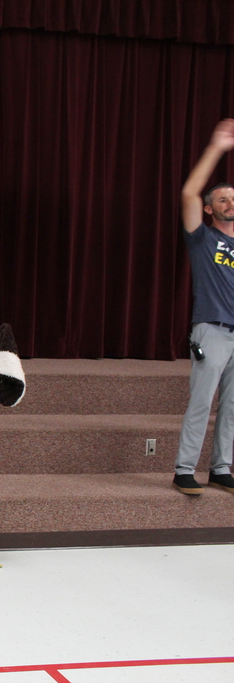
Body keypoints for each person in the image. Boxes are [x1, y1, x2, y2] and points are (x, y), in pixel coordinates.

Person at [173, 118, 234, 496]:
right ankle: (184, 469)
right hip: (212, 329)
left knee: (233, 407)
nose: (230, 203)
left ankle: (221, 468)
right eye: (223, 199)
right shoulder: (203, 239)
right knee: (201, 402)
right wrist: (217, 148)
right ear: (210, 209)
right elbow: (189, 193)